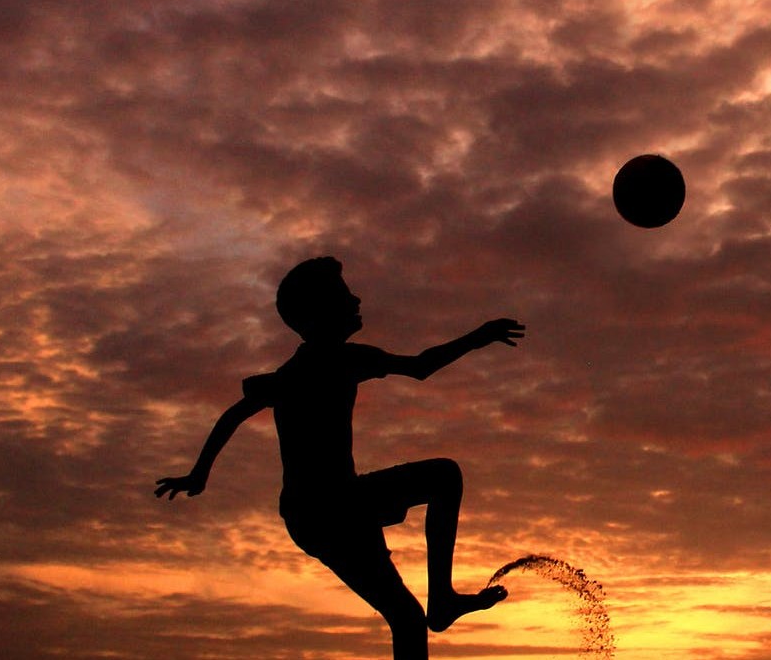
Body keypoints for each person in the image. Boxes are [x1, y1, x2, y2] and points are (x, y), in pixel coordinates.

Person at [156, 256, 524, 660]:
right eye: (345, 295)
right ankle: (442, 599)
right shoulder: (339, 360)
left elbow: (234, 413)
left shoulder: (296, 371)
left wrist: (199, 474)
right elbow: (421, 367)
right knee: (444, 476)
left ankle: (439, 603)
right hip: (335, 506)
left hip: (312, 515)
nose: (356, 299)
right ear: (321, 312)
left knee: (405, 616)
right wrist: (478, 337)